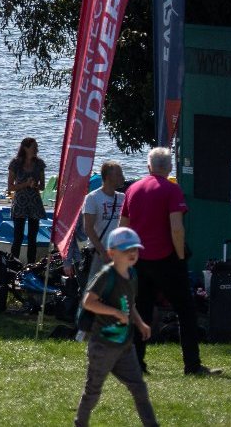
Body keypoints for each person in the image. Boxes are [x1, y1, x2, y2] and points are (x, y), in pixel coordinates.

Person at [118, 146, 211, 375]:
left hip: (139, 259)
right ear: (169, 167)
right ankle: (192, 364)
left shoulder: (133, 189)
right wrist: (180, 257)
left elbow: (122, 228)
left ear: (149, 166)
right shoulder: (172, 190)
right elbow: (176, 228)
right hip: (166, 258)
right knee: (186, 311)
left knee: (141, 311)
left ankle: (137, 364)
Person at [73, 226, 158, 427]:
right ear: (112, 253)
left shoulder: (132, 275)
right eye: (127, 250)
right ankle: (80, 423)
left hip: (124, 346)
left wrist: (139, 322)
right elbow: (88, 302)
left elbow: (130, 304)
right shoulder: (106, 275)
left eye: (135, 250)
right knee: (93, 391)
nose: (132, 254)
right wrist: (114, 312)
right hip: (102, 345)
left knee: (139, 388)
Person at [79, 161, 125, 291]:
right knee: (95, 290)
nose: (123, 178)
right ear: (109, 177)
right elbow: (88, 228)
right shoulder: (93, 198)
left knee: (120, 290)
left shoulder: (123, 198)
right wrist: (102, 252)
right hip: (99, 252)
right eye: (119, 174)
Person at [6, 137, 46, 265]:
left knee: (32, 237)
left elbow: (42, 186)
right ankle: (13, 265)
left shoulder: (39, 164)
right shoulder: (15, 163)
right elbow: (10, 187)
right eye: (34, 147)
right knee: (18, 237)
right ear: (25, 148)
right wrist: (25, 184)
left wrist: (35, 185)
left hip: (34, 203)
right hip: (20, 203)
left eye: (37, 148)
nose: (36, 150)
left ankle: (31, 265)